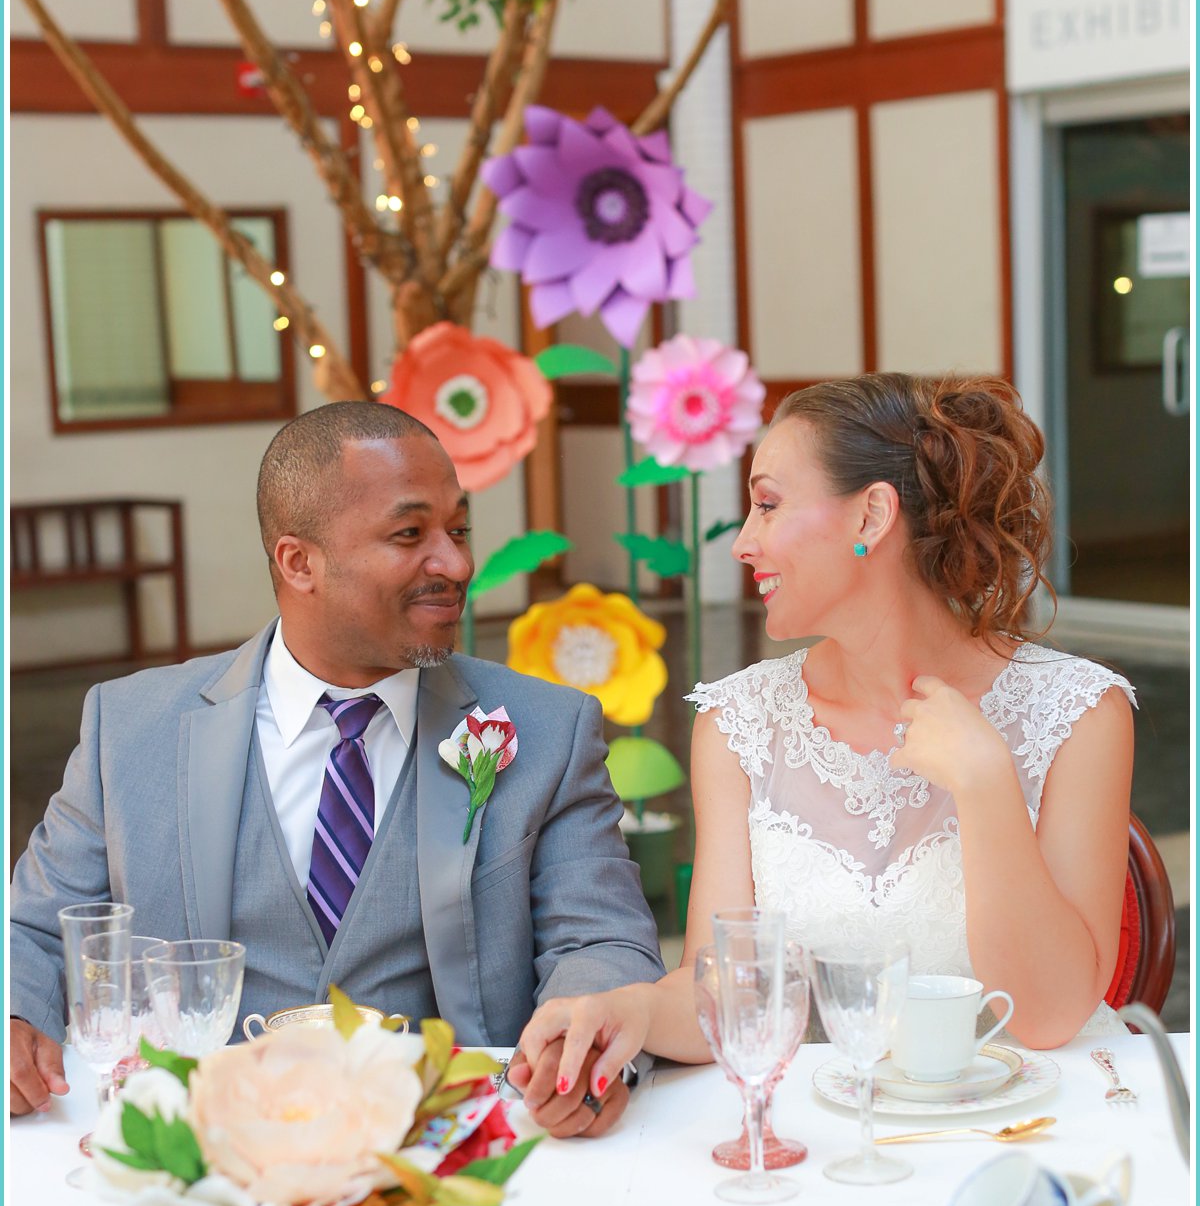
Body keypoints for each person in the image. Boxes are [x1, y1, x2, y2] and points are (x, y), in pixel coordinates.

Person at [9, 403, 663, 1135]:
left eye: (459, 529)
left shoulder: (547, 730)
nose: (455, 563)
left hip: (450, 1143)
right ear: (298, 561)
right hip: (207, 1145)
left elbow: (601, 941)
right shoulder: (131, 730)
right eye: (410, 534)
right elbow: (32, 927)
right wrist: (13, 1012)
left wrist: (589, 1040)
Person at [515, 372, 1137, 1097]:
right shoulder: (739, 724)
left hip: (1040, 1119)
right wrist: (629, 1009)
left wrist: (985, 784)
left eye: (768, 506)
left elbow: (1051, 1015)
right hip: (844, 1129)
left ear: (872, 517)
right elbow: (727, 990)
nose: (744, 543)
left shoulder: (1080, 712)